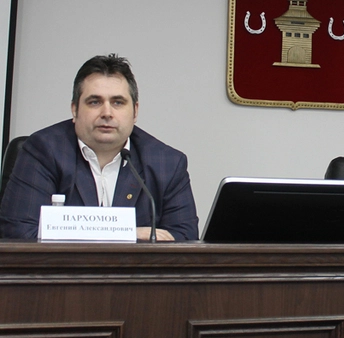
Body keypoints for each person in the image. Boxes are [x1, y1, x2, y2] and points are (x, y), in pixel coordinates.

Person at [0, 54, 199, 241]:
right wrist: (128, 233)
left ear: (135, 111)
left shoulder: (167, 163)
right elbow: (19, 232)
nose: (107, 113)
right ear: (75, 110)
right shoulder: (43, 151)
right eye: (95, 102)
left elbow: (185, 239)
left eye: (118, 102)